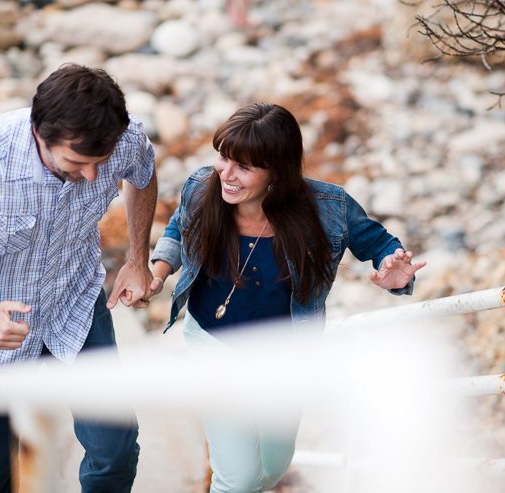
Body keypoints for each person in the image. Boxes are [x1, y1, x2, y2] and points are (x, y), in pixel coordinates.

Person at [147, 102, 426, 493]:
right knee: (238, 478)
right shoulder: (201, 188)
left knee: (273, 468)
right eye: (224, 158)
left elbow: (380, 244)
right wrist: (157, 272)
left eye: (244, 167)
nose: (226, 174)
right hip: (213, 342)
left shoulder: (329, 208)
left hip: (284, 356)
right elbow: (178, 229)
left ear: (277, 170)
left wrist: (393, 272)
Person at [0, 64, 157, 493]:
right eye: (78, 162)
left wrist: (138, 258)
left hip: (75, 309)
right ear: (40, 133)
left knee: (115, 451)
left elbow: (143, 174)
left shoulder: (124, 136)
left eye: (101, 163)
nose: (94, 176)